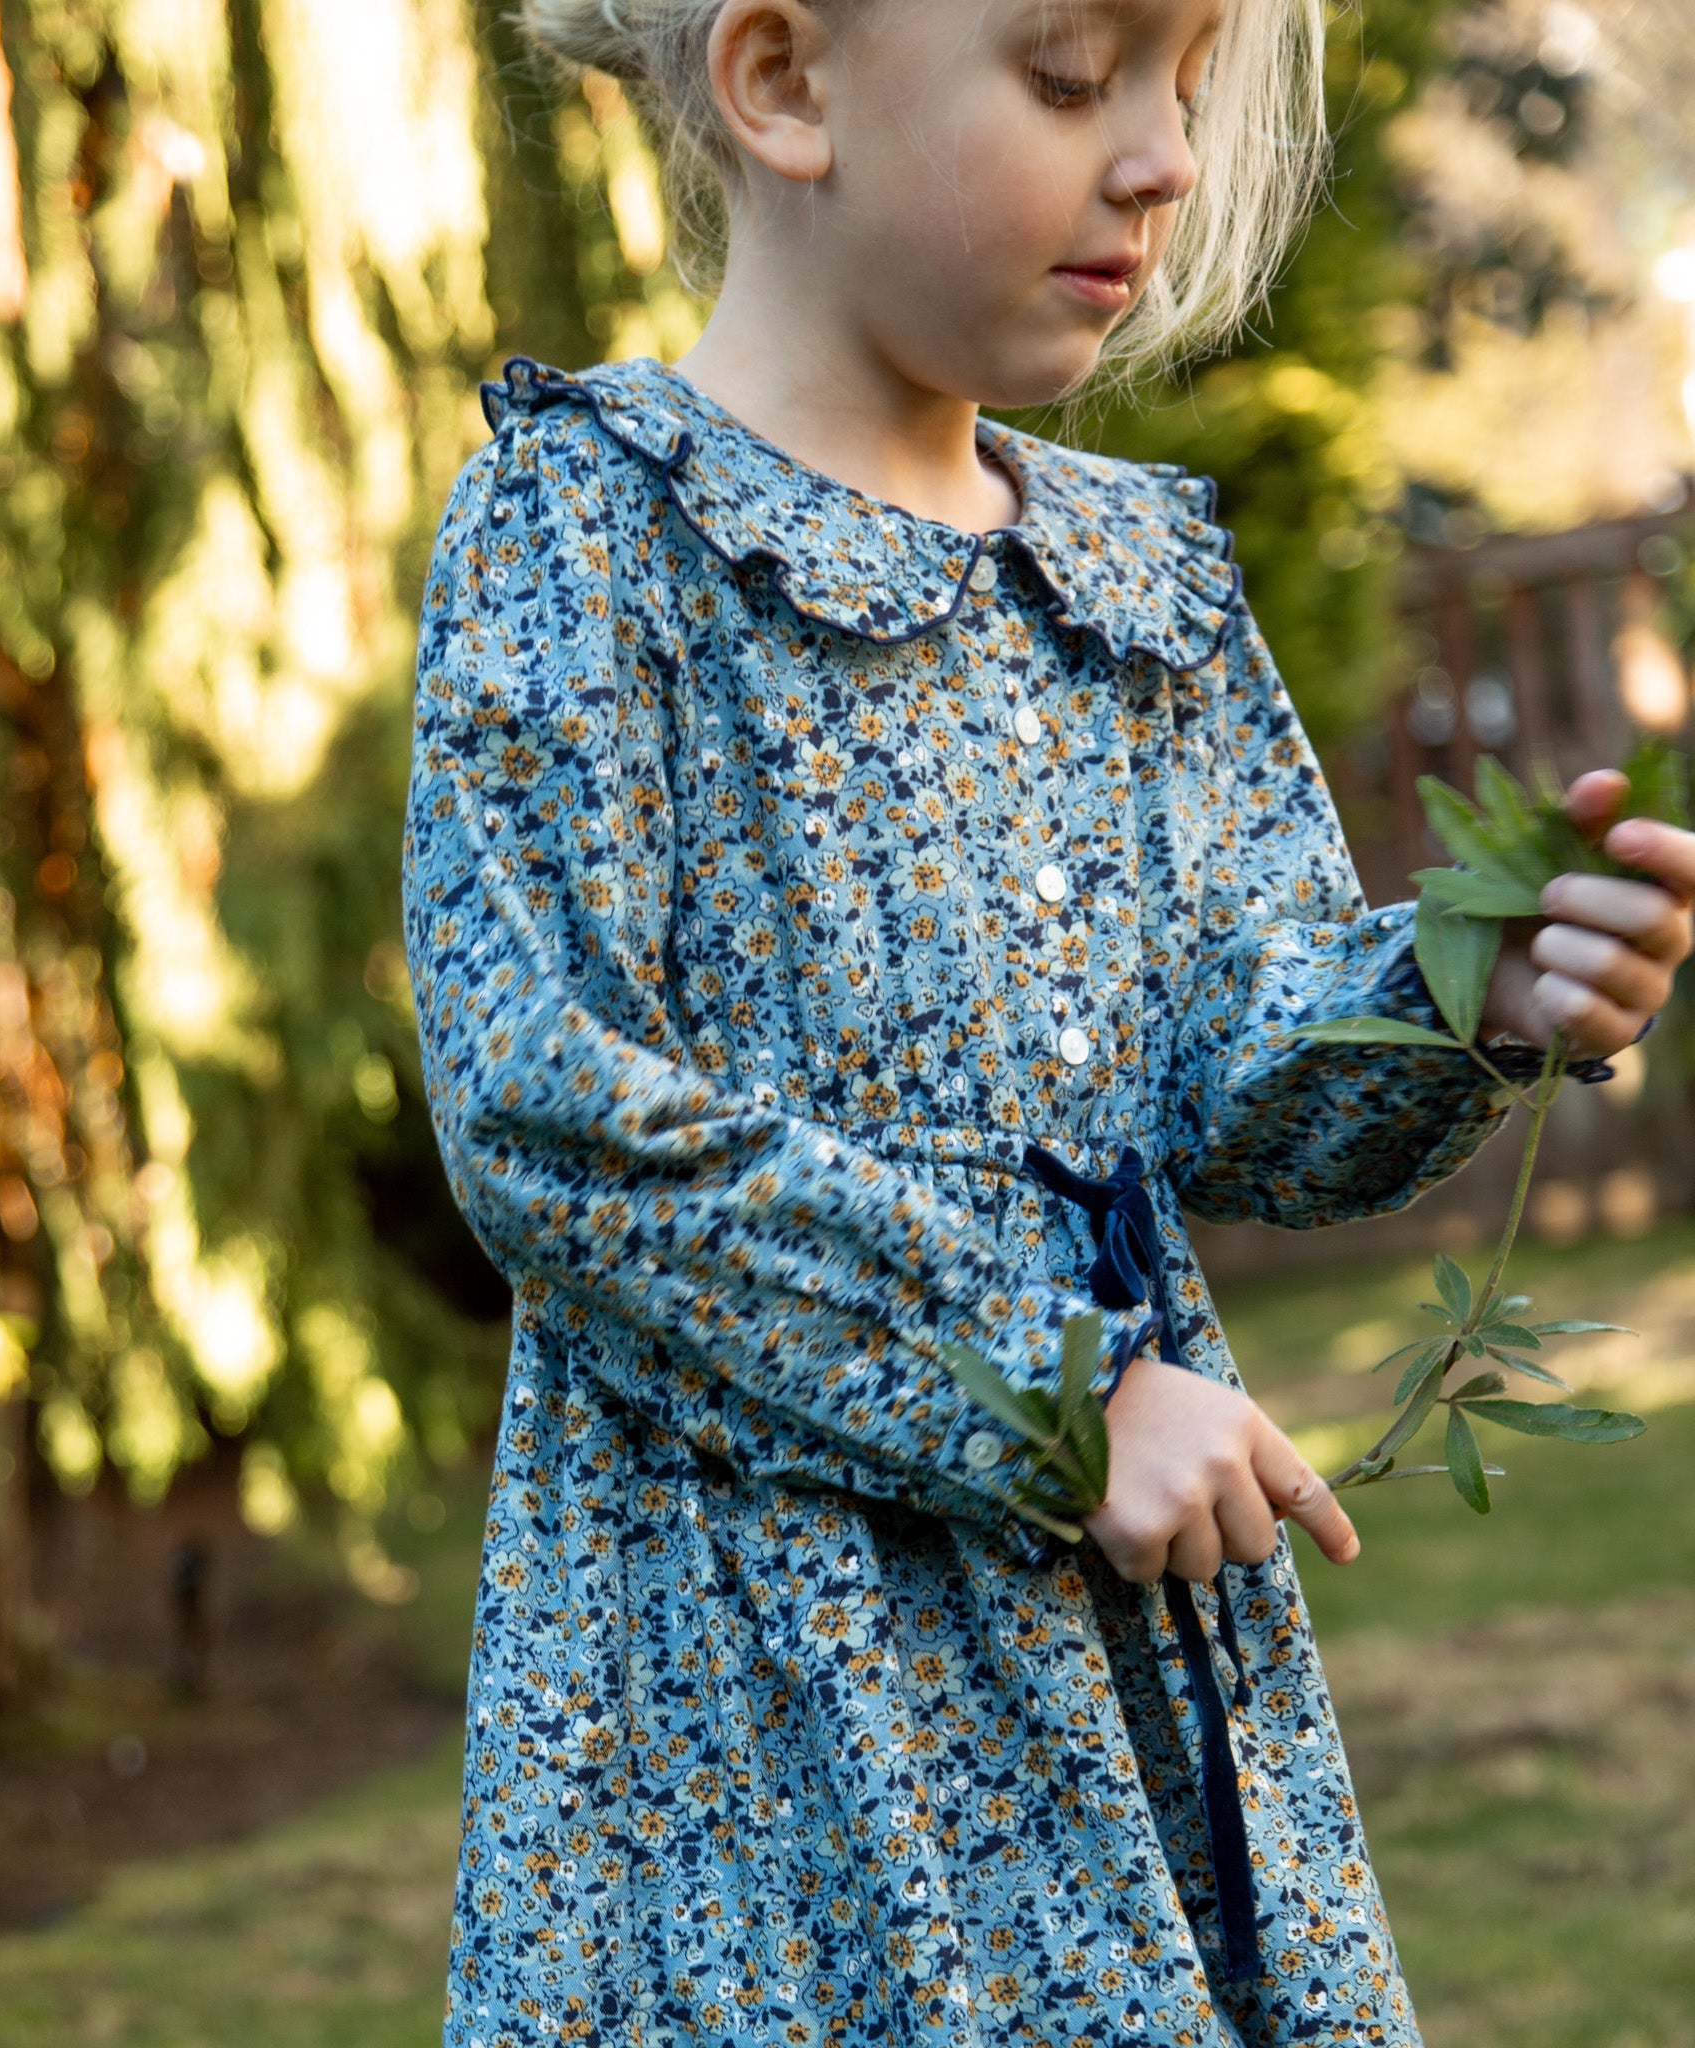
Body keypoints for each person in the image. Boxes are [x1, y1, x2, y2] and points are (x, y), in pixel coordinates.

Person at [401, 2, 1695, 2039]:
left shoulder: (1135, 574)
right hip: (769, 1695)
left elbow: (1230, 1078)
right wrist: (1046, 1391)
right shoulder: (593, 532)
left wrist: (1470, 998)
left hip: (1136, 1651)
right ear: (785, 82)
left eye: (1182, 82)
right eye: (1073, 74)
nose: (1166, 155)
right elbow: (547, 1106)